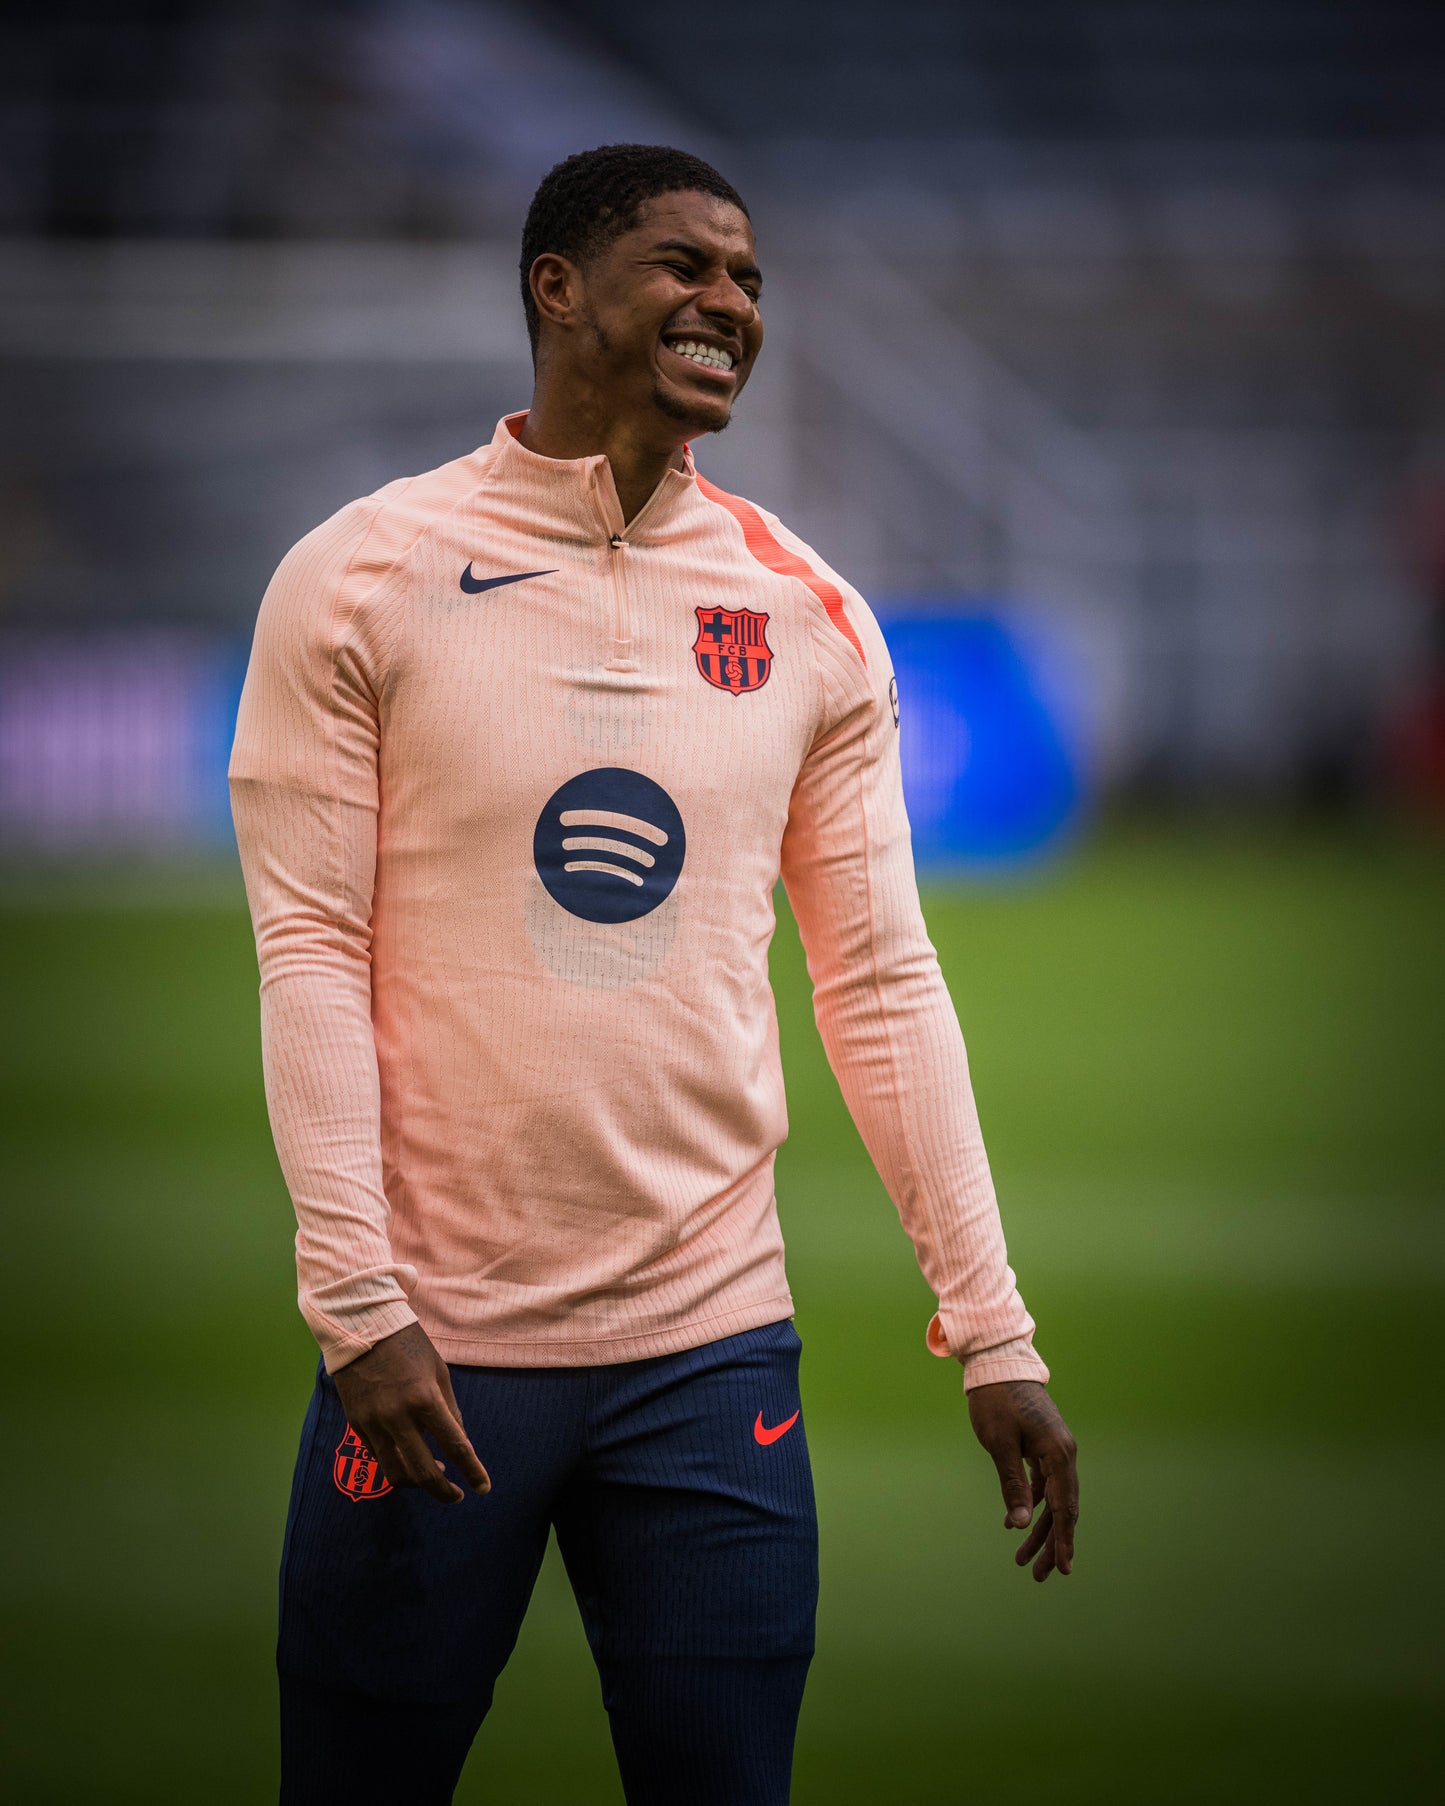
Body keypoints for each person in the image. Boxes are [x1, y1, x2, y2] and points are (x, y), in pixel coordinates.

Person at [230, 142, 1079, 1806]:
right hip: (433, 1347)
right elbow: (310, 945)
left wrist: (991, 1325)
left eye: (749, 279)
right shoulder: (359, 577)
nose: (728, 304)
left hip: (710, 1353)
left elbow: (883, 980)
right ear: (557, 288)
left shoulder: (808, 612)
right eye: (684, 266)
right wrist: (357, 1299)